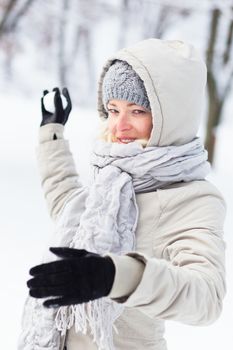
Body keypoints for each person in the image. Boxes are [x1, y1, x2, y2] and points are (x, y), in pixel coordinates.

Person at [19, 38, 226, 350]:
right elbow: (68, 206)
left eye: (137, 110)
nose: (119, 125)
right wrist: (52, 136)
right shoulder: (113, 175)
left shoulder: (192, 198)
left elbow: (206, 297)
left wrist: (117, 276)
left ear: (171, 117)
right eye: (113, 110)